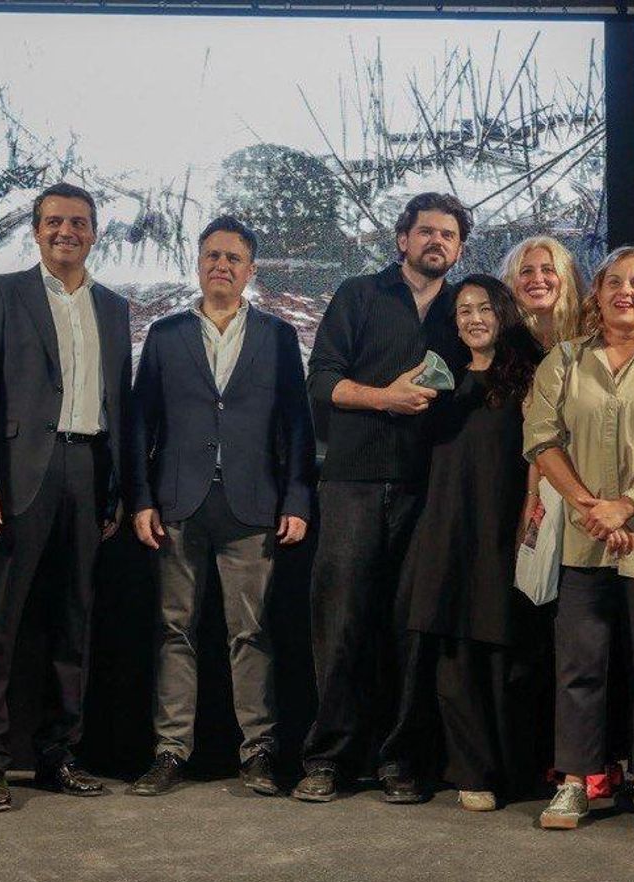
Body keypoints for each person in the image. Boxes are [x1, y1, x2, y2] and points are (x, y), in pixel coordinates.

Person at [0, 183, 132, 813]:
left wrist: (116, 488)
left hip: (87, 472)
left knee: (74, 624)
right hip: (17, 475)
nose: (67, 231)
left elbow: (122, 404)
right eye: (55, 221)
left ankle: (60, 755)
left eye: (79, 222)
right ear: (35, 230)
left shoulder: (113, 307)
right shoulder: (2, 293)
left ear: (94, 232)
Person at [126, 215, 314, 798]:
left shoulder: (279, 338)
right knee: (173, 630)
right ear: (198, 263)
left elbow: (297, 428)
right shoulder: (165, 334)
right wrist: (139, 499)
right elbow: (139, 426)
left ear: (250, 269)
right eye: (212, 256)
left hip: (252, 506)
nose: (222, 266)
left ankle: (258, 753)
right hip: (178, 505)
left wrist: (298, 498)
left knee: (250, 633)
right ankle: (169, 752)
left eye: (233, 258)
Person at [293, 192, 470, 804]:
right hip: (352, 483)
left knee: (410, 631)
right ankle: (329, 760)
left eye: (448, 235)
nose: (436, 243)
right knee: (340, 627)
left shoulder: (462, 310)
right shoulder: (358, 295)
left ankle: (401, 762)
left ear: (460, 248)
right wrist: (383, 398)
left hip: (429, 491)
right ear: (402, 240)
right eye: (426, 232)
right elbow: (319, 383)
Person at [524, 246, 634, 831]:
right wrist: (590, 507)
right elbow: (542, 439)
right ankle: (575, 782)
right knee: (580, 664)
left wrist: (627, 506)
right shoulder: (563, 361)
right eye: (614, 283)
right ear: (596, 295)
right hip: (583, 538)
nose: (625, 292)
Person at [391, 274, 548, 812]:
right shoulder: (439, 376)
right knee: (452, 647)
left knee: (506, 644)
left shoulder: (532, 373)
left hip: (505, 522)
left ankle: (517, 768)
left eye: (483, 308)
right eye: (463, 311)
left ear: (503, 313)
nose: (474, 318)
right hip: (447, 524)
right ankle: (470, 769)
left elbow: (540, 452)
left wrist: (532, 510)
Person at [498, 235, 587, 351]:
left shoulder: (592, 337)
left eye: (548, 270)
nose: (537, 279)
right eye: (526, 271)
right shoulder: (498, 343)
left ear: (567, 278)